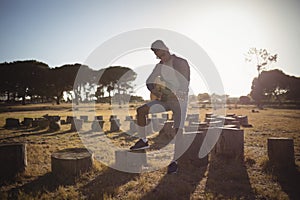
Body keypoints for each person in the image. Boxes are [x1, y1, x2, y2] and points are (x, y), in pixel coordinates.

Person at [130, 40, 190, 174]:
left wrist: (174, 92)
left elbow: (184, 84)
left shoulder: (181, 62)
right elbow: (148, 81)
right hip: (165, 99)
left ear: (167, 49)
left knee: (178, 130)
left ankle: (175, 161)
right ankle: (143, 140)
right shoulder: (159, 66)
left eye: (163, 53)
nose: (161, 57)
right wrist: (158, 92)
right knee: (141, 111)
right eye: (158, 55)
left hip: (180, 100)